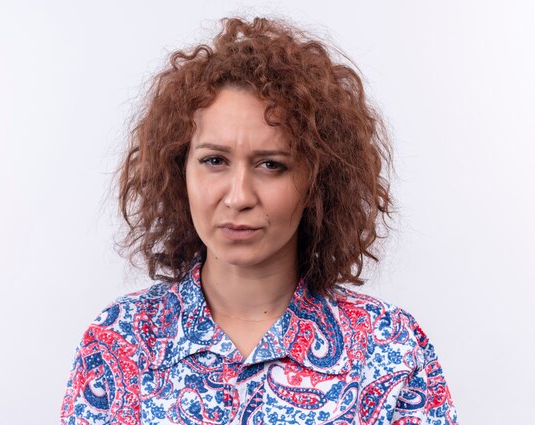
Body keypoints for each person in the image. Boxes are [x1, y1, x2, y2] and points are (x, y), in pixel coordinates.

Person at [60, 16, 458, 425]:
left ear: (317, 182)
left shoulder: (389, 348)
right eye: (214, 161)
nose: (238, 196)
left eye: (271, 165)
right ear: (179, 172)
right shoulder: (120, 341)